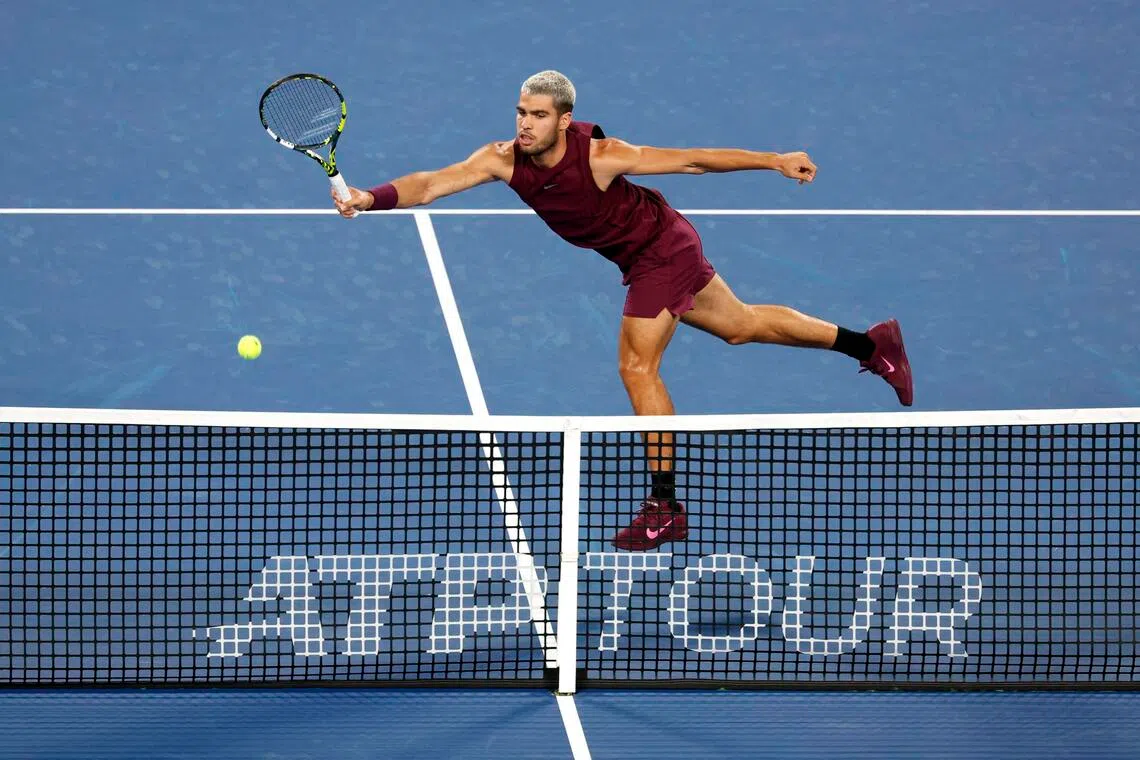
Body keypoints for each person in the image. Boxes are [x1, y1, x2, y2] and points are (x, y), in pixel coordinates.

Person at [333, 70, 913, 552]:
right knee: (741, 326)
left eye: (536, 115)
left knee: (637, 367)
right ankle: (871, 344)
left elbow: (690, 161)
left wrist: (772, 160)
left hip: (662, 252)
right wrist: (368, 198)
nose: (523, 124)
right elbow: (432, 184)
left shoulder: (603, 155)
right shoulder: (501, 159)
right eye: (519, 112)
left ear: (563, 120)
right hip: (642, 257)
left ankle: (665, 506)